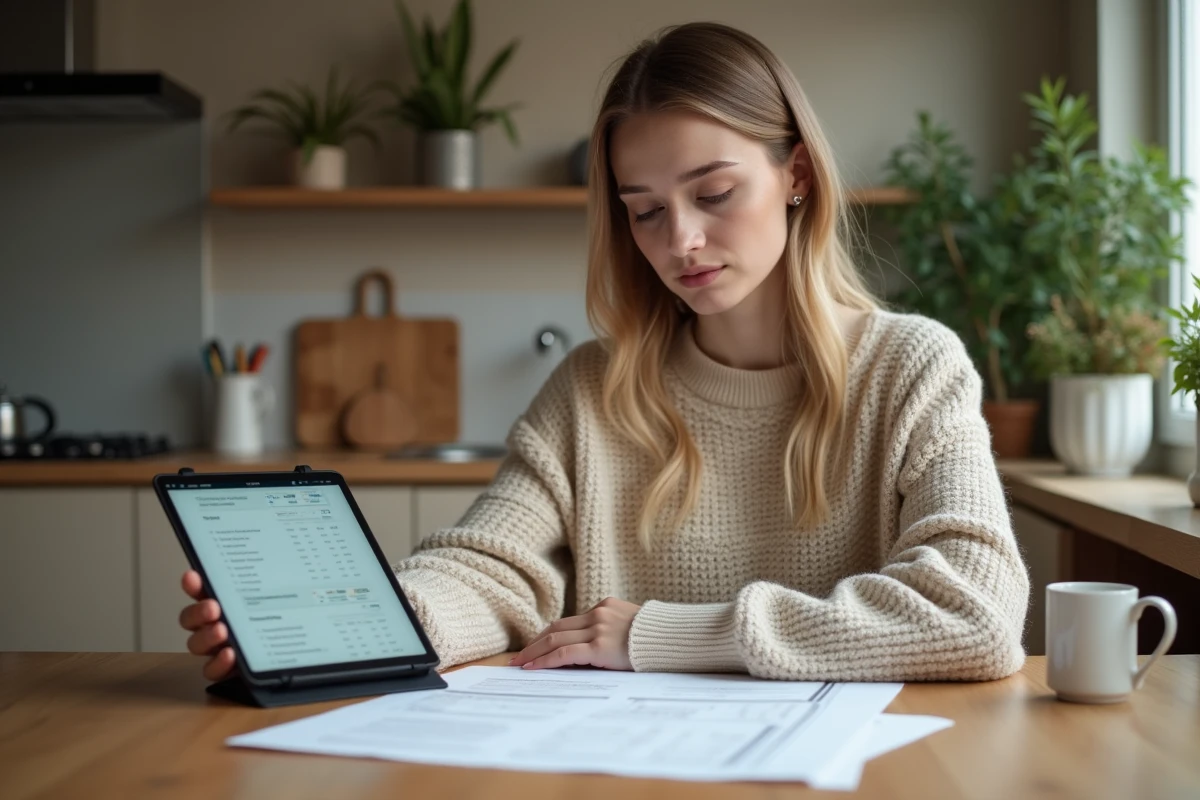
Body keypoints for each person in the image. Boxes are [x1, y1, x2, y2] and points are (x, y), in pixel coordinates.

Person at [179, 21, 1029, 683]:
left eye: (715, 192)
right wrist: (347, 624)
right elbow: (488, 569)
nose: (682, 240)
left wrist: (658, 635)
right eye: (645, 209)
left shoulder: (912, 367)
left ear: (797, 174)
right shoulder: (594, 388)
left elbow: (977, 614)